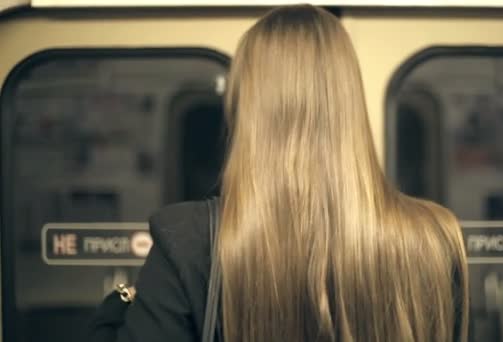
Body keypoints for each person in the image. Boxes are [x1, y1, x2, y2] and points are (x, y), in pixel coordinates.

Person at [88, 4, 469, 342]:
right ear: (350, 100)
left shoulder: (188, 243)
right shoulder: (433, 239)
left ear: (246, 108)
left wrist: (114, 310)